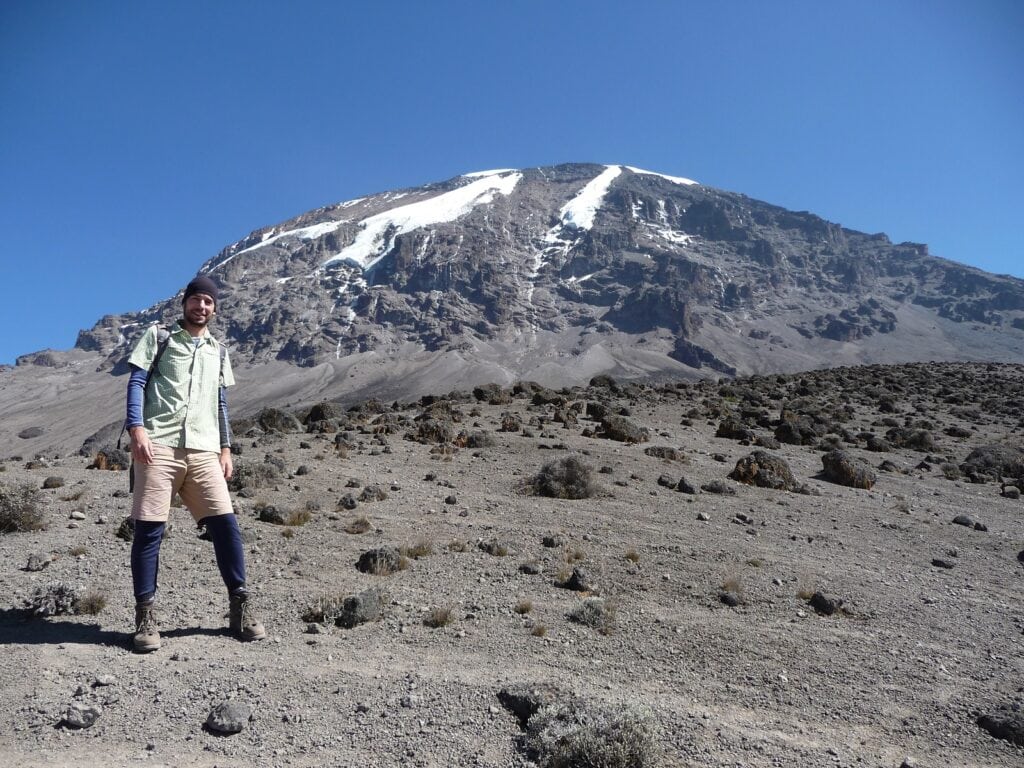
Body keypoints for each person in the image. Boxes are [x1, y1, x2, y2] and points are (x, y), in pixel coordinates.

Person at [125, 275, 265, 652]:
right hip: (159, 445)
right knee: (149, 531)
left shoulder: (219, 351)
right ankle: (145, 617)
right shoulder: (158, 338)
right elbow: (136, 382)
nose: (201, 307)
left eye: (208, 302)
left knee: (226, 526)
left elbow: (221, 404)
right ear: (184, 303)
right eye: (195, 300)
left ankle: (240, 607)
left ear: (214, 309)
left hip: (204, 450)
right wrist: (137, 428)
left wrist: (226, 448)